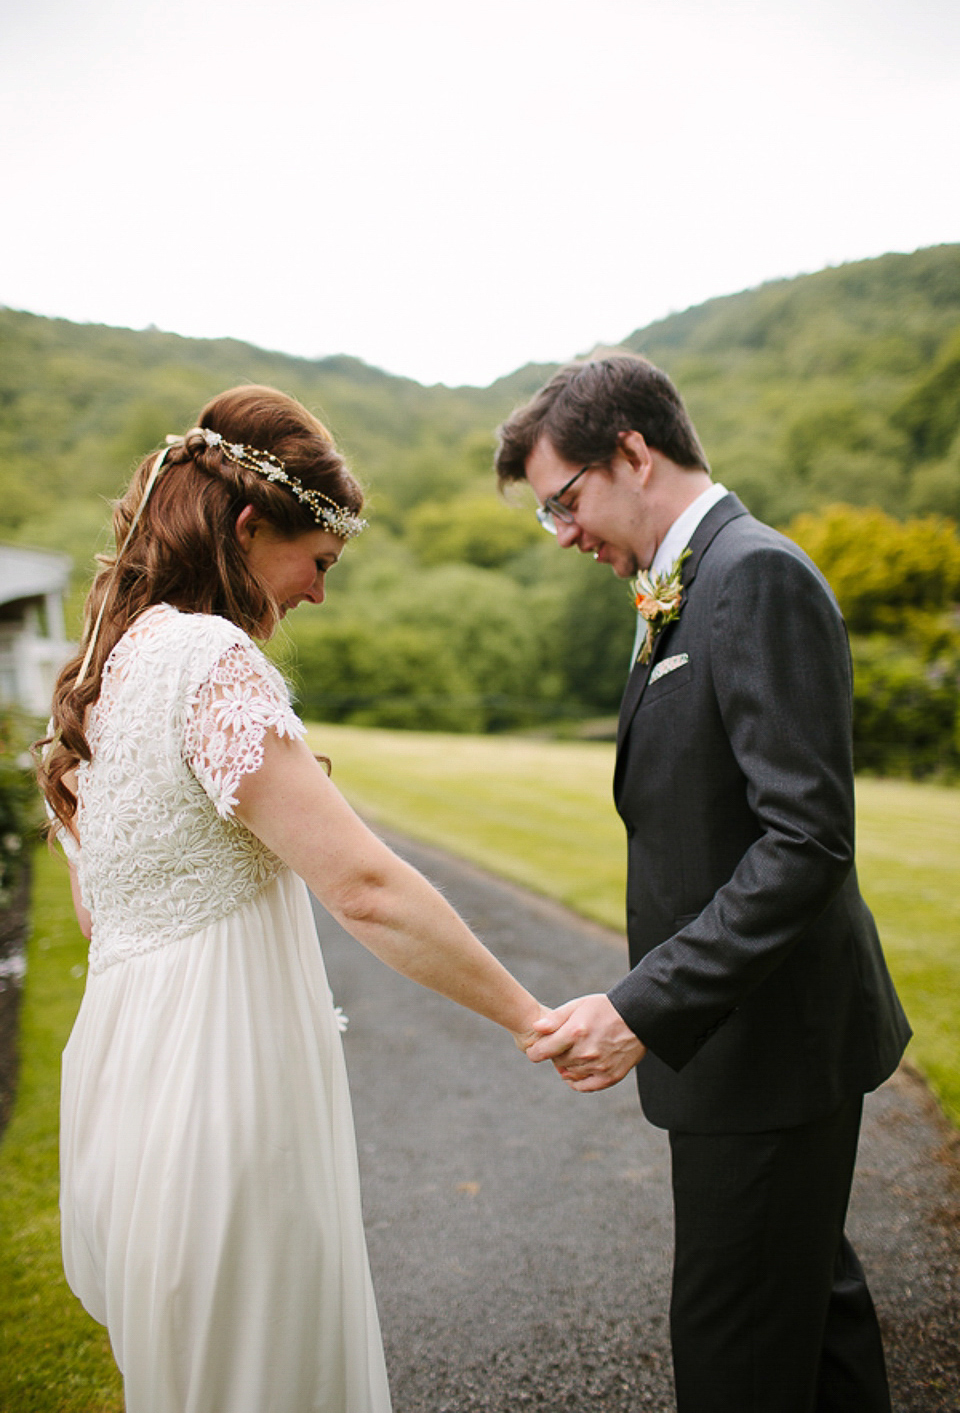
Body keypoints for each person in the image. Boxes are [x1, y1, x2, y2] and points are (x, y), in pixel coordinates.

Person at [37, 384, 548, 1413]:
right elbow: (363, 887)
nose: (320, 595)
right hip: (225, 1094)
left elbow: (106, 913)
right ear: (247, 525)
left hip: (129, 1085)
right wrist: (531, 1018)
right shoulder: (211, 663)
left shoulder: (101, 678)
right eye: (318, 564)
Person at [494, 355, 911, 1413]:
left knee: (734, 1353)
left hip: (770, 1052)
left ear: (632, 452)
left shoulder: (752, 573)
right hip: (745, 1052)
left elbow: (804, 842)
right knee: (811, 1331)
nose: (565, 534)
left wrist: (642, 1008)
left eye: (565, 501)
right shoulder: (679, 584)